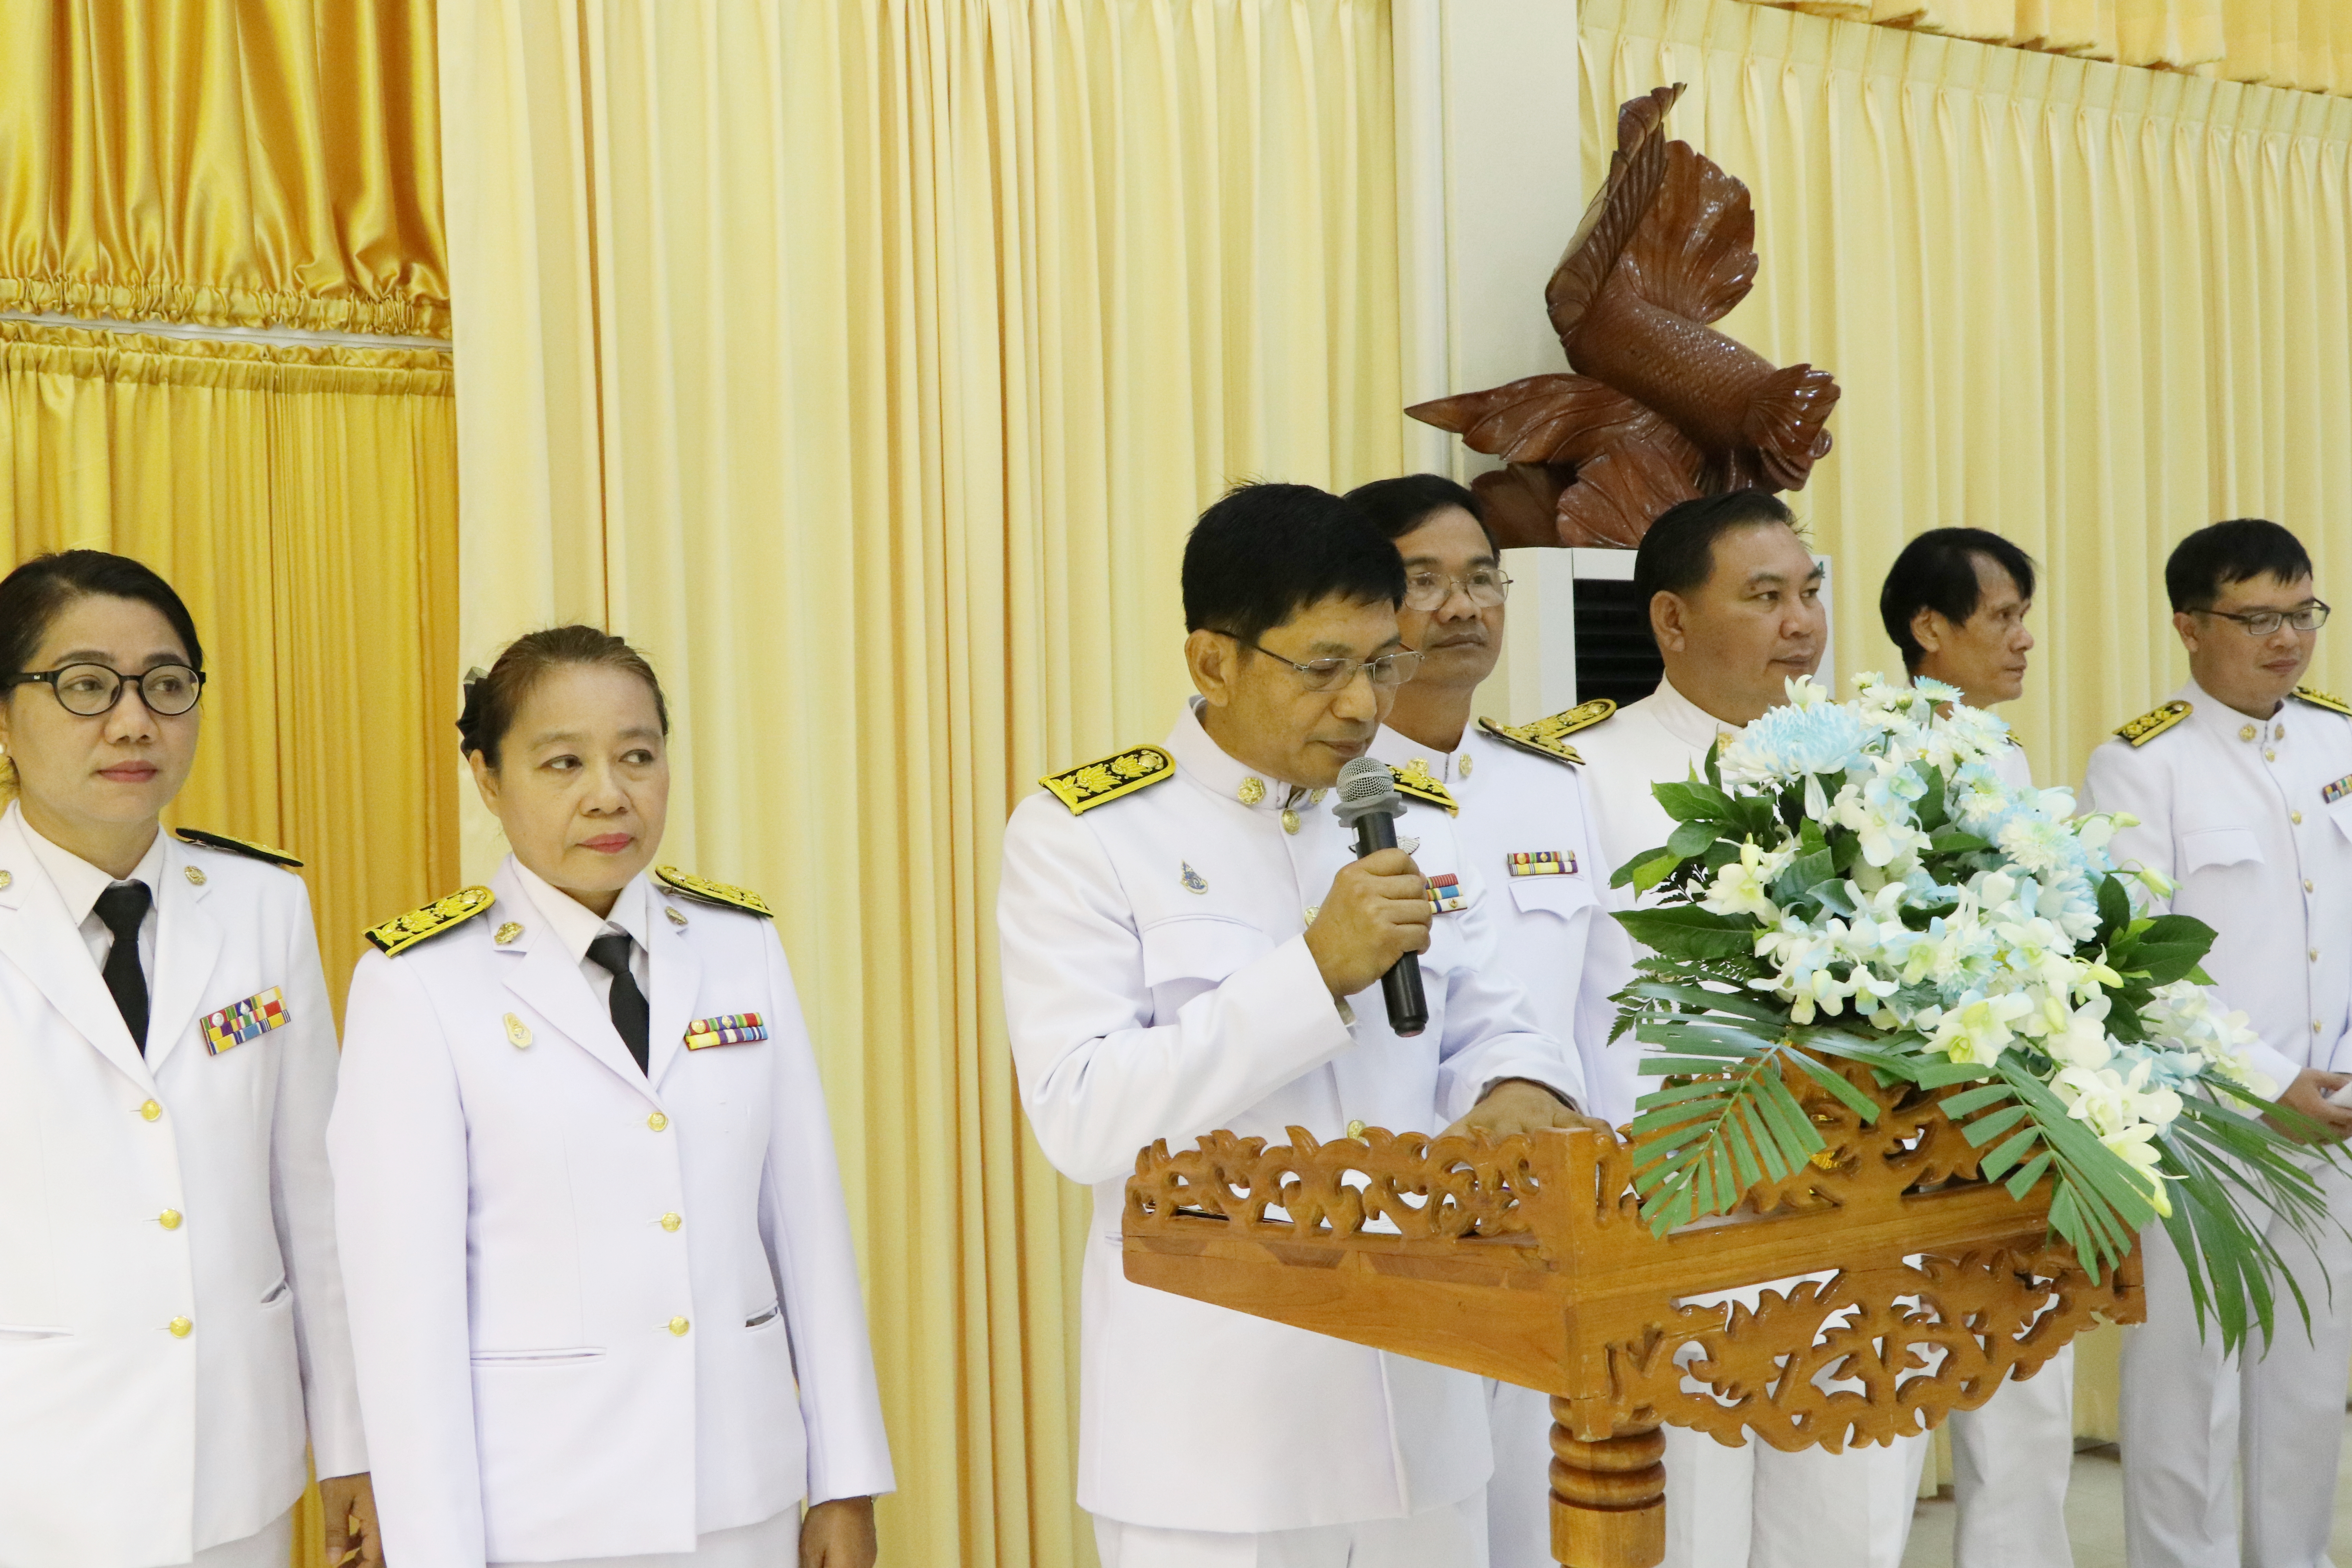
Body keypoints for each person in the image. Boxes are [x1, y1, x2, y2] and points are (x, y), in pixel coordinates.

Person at [998, 481, 1604, 1568]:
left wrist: (1522, 1092)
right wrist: (1315, 973)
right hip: (1221, 1435)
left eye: (1381, 665)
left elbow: (1496, 1023)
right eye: (1323, 669)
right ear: (1214, 662)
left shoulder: (1404, 814)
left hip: (1423, 1408)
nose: (1363, 707)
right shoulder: (1085, 837)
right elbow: (1082, 1118)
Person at [328, 626, 892, 1568]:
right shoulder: (418, 982)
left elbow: (807, 1224)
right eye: (563, 762)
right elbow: (403, 1310)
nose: (610, 793)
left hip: (740, 1494)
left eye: (638, 755)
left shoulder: (737, 944)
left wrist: (845, 1478)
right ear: (487, 776)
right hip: (541, 1512)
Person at [0, 550, 376, 1568]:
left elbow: (317, 1205)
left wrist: (353, 1446)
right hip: (30, 1484)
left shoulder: (265, 909)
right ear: (4, 716)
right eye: (83, 687)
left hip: (235, 1473)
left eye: (166, 687)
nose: (133, 723)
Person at [1573, 492, 1928, 1568]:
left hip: (1851, 1212)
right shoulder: (1584, 775)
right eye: (1765, 598)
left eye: (1811, 593)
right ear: (1674, 622)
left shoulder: (1875, 766)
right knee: (1691, 1532)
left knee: (1852, 1523)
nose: (1803, 624)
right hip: (1680, 1219)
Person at [1349, 473, 1632, 1568]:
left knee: (1551, 1521)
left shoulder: (1551, 782)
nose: (1463, 608)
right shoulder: (1333, 794)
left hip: (1557, 1222)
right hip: (1405, 1235)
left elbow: (1602, 1008)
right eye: (1424, 582)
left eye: (1482, 580)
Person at [2078, 519, 2352, 1568]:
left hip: (2331, 1117)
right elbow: (2146, 968)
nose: (2287, 641)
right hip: (2201, 1128)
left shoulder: (2338, 740)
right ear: (2189, 627)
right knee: (2187, 1388)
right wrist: (2273, 1081)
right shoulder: (2143, 766)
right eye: (2258, 619)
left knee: (2309, 1376)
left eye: (2302, 614)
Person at [1881, 528, 2071, 1568]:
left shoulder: (2001, 752)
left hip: (2021, 1116)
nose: (2025, 640)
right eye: (2002, 617)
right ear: (1929, 628)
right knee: (1909, 1392)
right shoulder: (1885, 757)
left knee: (2028, 1394)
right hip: (1923, 1128)